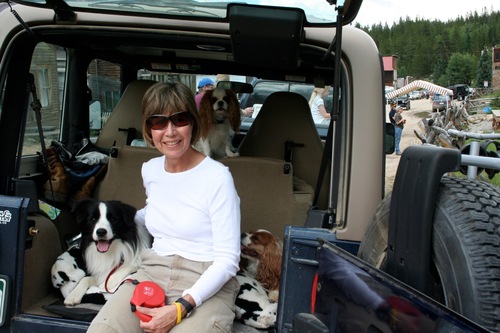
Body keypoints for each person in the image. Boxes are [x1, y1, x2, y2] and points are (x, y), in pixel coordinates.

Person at [87, 82, 241, 333]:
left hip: (206, 279)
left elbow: (227, 261)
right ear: (149, 129)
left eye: (179, 120)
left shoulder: (217, 177)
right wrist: (112, 223)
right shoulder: (151, 169)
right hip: (153, 271)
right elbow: (157, 209)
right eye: (159, 122)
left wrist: (181, 307)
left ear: (193, 123)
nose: (170, 132)